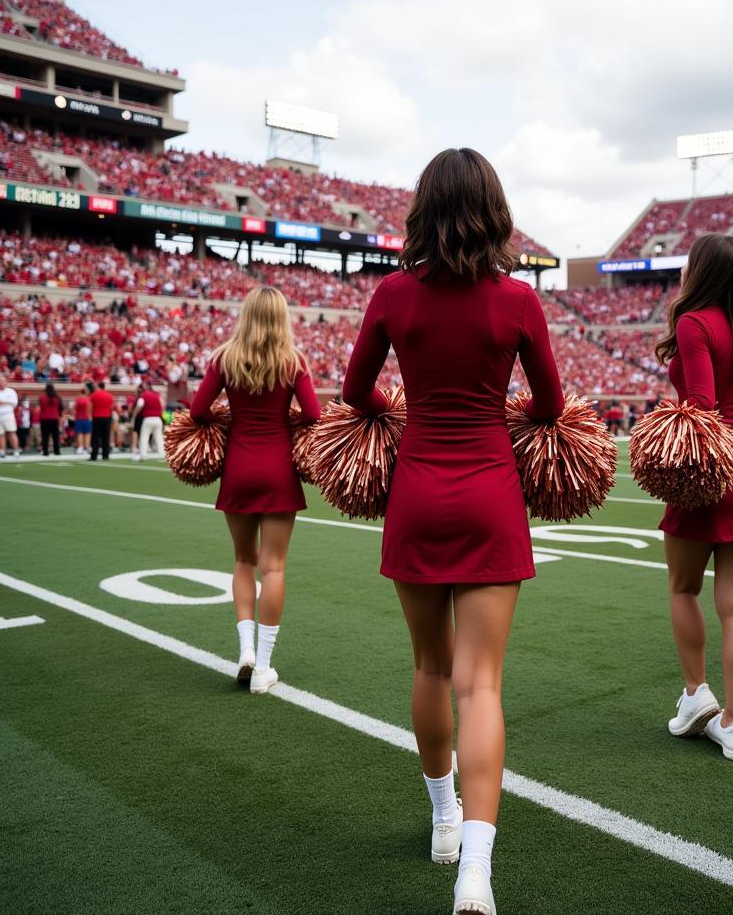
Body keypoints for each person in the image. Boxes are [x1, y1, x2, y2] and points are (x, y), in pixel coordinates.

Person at [342, 148, 564, 915]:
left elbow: (353, 391)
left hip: (416, 490)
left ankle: (441, 820)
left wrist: (405, 412)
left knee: (431, 669)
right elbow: (548, 405)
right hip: (491, 493)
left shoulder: (394, 293)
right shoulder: (519, 301)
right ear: (496, 212)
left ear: (422, 211)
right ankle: (476, 867)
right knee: (481, 683)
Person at [654, 233, 733, 761]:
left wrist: (675, 417)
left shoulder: (693, 322)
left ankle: (694, 694)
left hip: (706, 474)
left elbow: (702, 405)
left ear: (698, 271)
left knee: (683, 590)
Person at [190, 286, 320, 695]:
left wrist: (232, 416)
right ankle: (263, 666)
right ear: (281, 318)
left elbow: (197, 411)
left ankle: (244, 651)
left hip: (239, 468)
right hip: (279, 468)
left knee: (244, 562)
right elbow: (314, 414)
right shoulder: (292, 361)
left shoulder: (225, 359)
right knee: (274, 567)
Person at [0, 374, 20, 458]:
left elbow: (14, 403)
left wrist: (1, 402)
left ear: (6, 382)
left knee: (11, 433)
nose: (1, 383)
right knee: (0, 434)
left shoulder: (11, 391)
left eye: (2, 381)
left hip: (8, 415)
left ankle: (16, 451)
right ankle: (2, 451)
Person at [134, 381, 165, 460]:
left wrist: (135, 414)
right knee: (159, 437)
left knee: (144, 437)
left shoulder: (144, 396)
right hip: (158, 419)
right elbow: (163, 405)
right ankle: (162, 454)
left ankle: (143, 455)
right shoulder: (157, 395)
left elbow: (139, 406)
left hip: (148, 418)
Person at [89, 381, 116, 461]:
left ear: (98, 386)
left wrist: (90, 416)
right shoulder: (109, 395)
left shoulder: (94, 395)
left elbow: (90, 406)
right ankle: (105, 455)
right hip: (107, 417)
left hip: (97, 417)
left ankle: (94, 455)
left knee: (95, 437)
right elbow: (112, 406)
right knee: (106, 437)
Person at [39, 383, 62, 456]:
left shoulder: (42, 397)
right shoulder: (57, 397)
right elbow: (60, 408)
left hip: (44, 418)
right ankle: (57, 451)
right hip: (54, 418)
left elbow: (41, 407)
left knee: (45, 436)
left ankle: (45, 451)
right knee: (55, 436)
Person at [73, 384, 92, 454]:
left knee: (80, 433)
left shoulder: (77, 399)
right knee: (87, 433)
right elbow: (90, 409)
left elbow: (74, 409)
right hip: (87, 418)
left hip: (79, 418)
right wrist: (89, 416)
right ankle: (87, 447)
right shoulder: (88, 399)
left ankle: (80, 447)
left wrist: (75, 416)